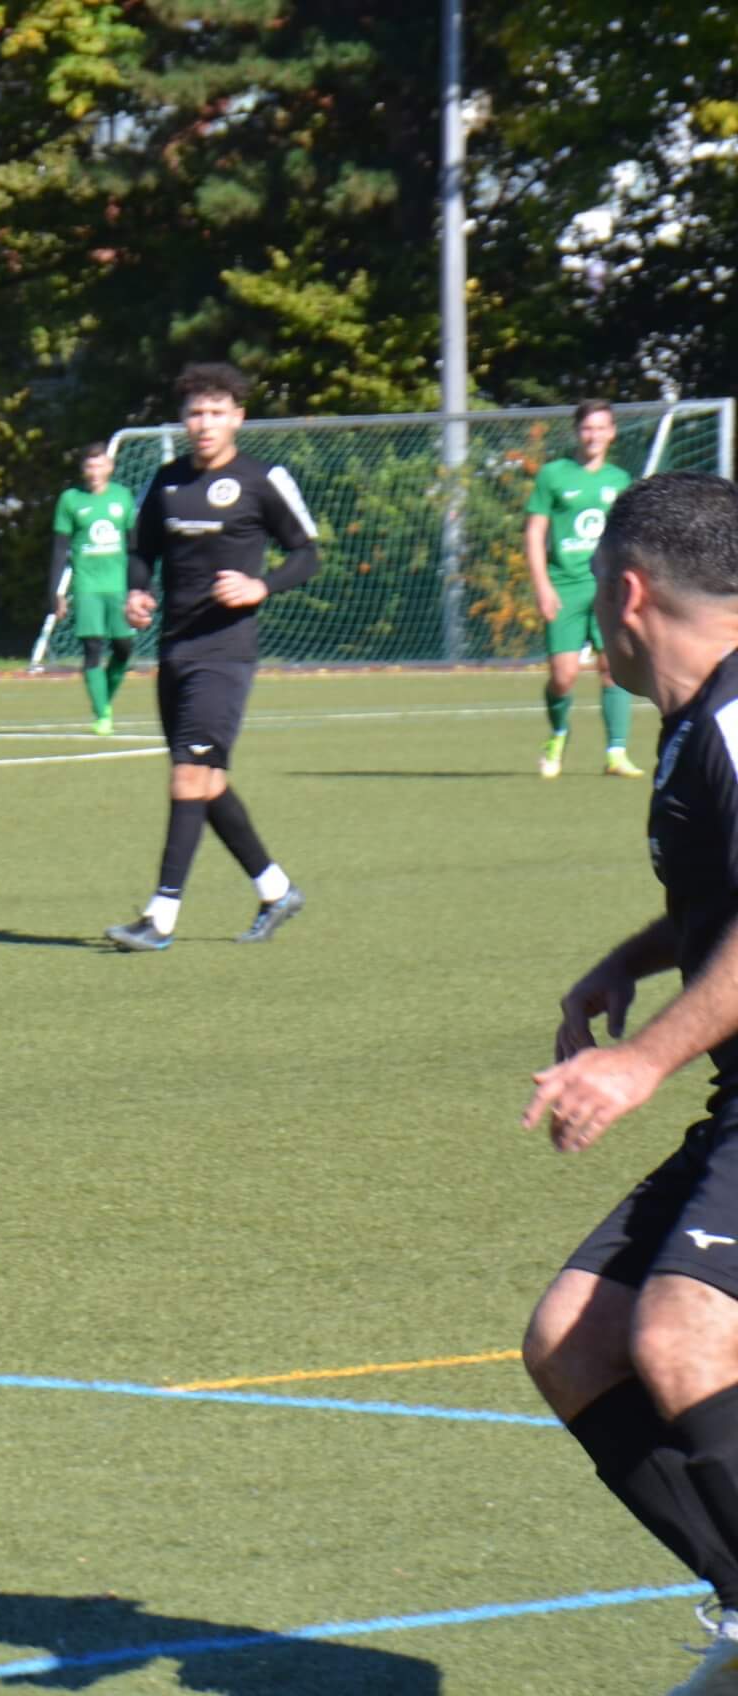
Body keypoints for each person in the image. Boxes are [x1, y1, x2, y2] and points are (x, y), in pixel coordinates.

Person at [518, 473, 738, 1694]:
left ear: (628, 590)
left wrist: (643, 1055)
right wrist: (632, 959)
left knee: (681, 1333)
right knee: (576, 1340)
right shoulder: (696, 716)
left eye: (597, 597)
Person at [104, 362, 318, 953]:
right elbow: (141, 551)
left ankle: (160, 917)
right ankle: (277, 890)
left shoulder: (262, 479)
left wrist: (261, 587)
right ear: (183, 420)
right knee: (208, 783)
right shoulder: (167, 481)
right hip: (175, 648)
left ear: (238, 418)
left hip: (226, 654)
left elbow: (307, 554)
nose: (205, 423)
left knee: (187, 777)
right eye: (196, 413)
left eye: (217, 412)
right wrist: (137, 592)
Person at [528, 399, 643, 779]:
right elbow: (535, 533)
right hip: (565, 586)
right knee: (564, 676)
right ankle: (558, 734)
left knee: (614, 668)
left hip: (607, 586)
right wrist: (542, 585)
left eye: (601, 428)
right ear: (577, 432)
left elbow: (629, 537)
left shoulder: (620, 480)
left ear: (612, 433)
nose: (593, 435)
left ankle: (616, 753)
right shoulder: (553, 475)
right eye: (586, 428)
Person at [49, 441, 139, 735]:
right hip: (87, 585)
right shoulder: (70, 500)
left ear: (109, 467)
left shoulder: (123, 497)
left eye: (100, 465)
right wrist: (55, 592)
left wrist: (141, 585)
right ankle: (102, 714)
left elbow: (135, 545)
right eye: (89, 466)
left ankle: (105, 699)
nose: (95, 471)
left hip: (119, 586)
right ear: (83, 469)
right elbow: (60, 549)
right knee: (92, 648)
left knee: (124, 649)